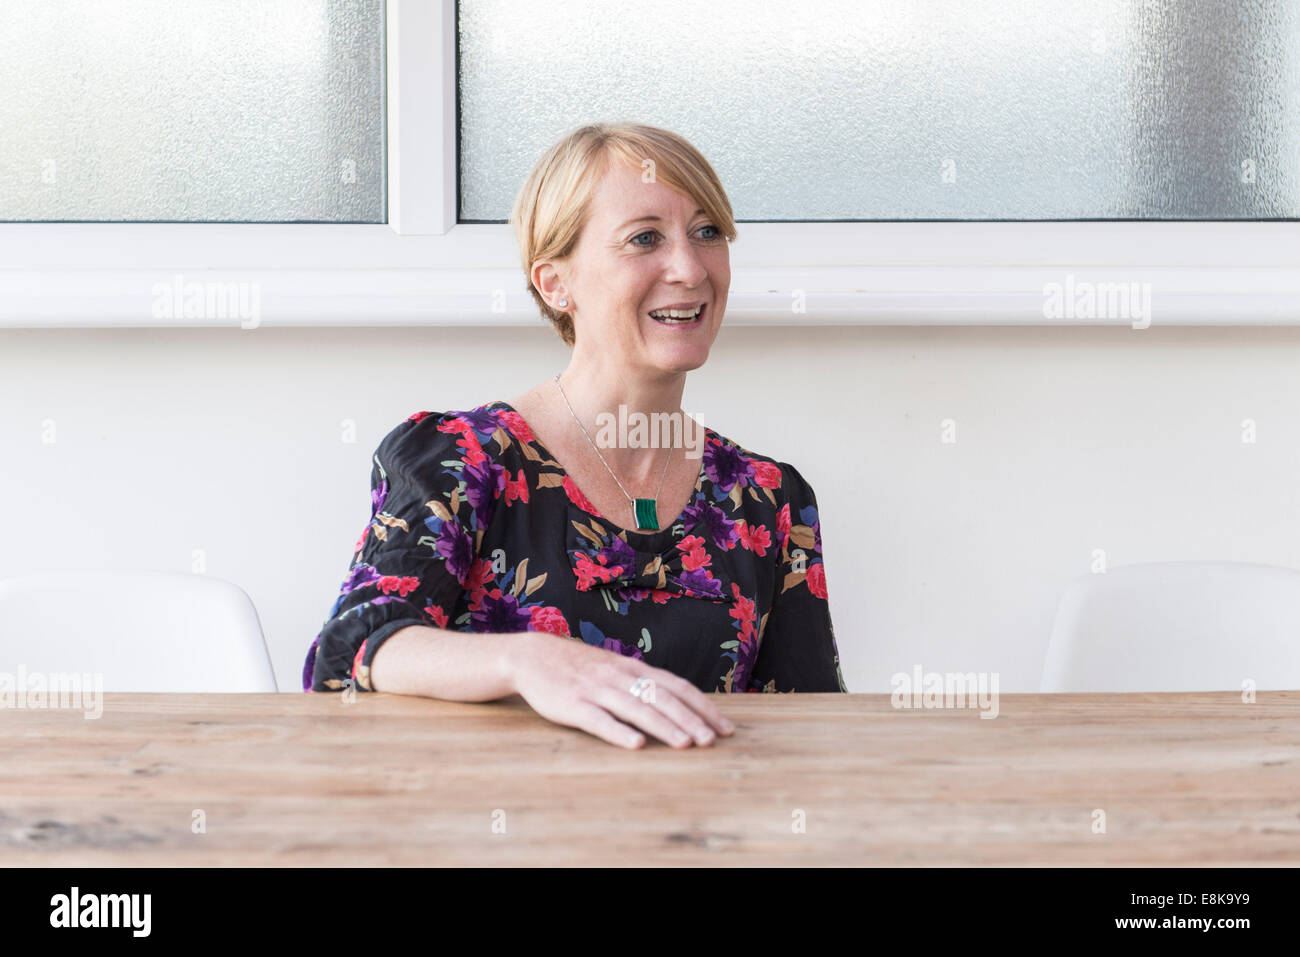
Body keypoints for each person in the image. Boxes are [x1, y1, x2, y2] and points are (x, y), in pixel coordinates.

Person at [303, 122, 847, 749]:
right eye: (645, 238)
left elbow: (815, 728)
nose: (690, 268)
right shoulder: (460, 459)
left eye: (707, 233)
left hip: (696, 835)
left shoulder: (766, 498)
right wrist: (529, 662)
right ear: (555, 284)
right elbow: (349, 655)